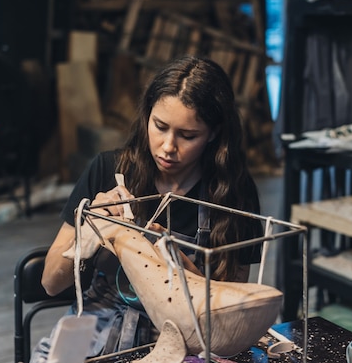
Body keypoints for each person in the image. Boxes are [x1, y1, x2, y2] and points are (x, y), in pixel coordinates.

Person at [31, 55, 263, 362]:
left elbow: (227, 320)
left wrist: (174, 263)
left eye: (187, 135)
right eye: (160, 126)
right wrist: (90, 230)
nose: (168, 146)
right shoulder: (108, 168)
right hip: (94, 338)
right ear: (147, 116)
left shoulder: (232, 193)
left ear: (214, 133)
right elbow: (50, 282)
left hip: (177, 343)